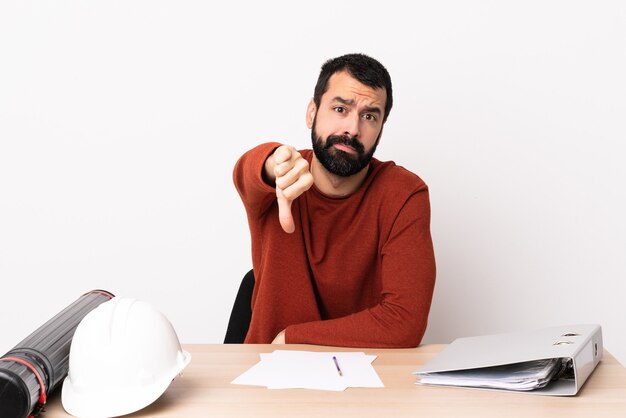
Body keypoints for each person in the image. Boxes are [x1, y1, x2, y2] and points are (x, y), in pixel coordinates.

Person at [233, 53, 436, 348]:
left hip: (366, 375)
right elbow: (245, 171)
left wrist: (293, 337)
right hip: (267, 374)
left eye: (369, 116)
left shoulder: (404, 194)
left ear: (381, 126)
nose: (352, 129)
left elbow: (405, 321)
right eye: (340, 108)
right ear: (312, 113)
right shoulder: (280, 181)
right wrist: (272, 162)